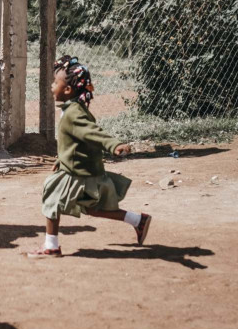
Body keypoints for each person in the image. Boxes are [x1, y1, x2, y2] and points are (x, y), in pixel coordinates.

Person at [27, 56, 152, 259]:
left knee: (51, 197)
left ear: (67, 90)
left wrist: (114, 145)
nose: (51, 85)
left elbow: (93, 132)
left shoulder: (73, 114)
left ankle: (51, 246)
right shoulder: (74, 109)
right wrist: (61, 159)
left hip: (79, 176)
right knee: (92, 208)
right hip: (86, 171)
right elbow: (76, 142)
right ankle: (138, 220)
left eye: (55, 82)